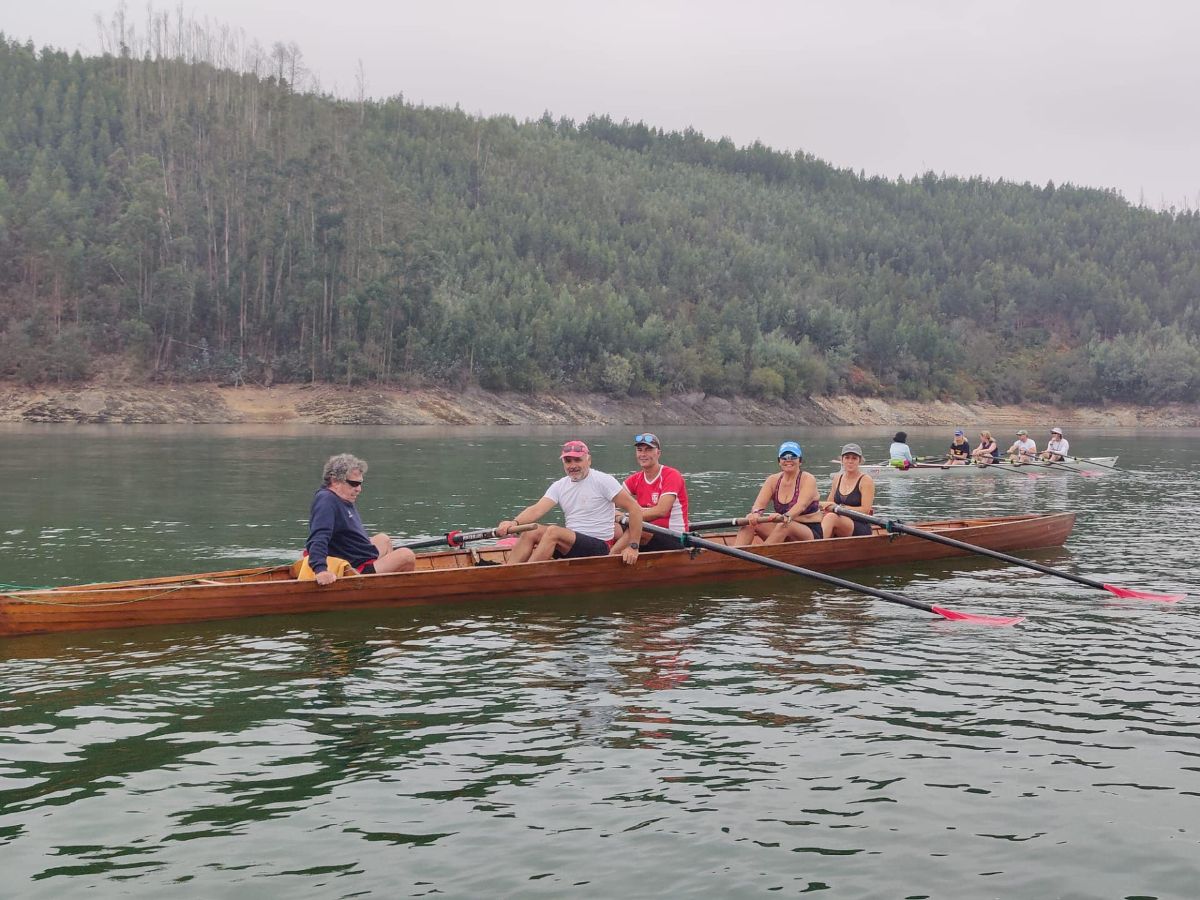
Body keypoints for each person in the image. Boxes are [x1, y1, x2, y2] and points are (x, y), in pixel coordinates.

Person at [496, 440, 643, 564]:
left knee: (553, 531)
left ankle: (526, 576)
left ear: (588, 460)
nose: (572, 465)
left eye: (577, 460)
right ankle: (505, 573)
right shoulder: (560, 485)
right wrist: (513, 523)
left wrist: (633, 546)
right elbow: (536, 509)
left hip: (599, 547)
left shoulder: (603, 481)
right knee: (530, 532)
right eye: (568, 461)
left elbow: (634, 508)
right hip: (572, 545)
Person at [306, 453, 416, 586]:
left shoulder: (342, 498)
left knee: (383, 539)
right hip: (354, 570)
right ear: (334, 481)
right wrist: (320, 570)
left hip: (357, 557)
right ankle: (396, 592)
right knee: (406, 555)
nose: (359, 489)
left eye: (360, 483)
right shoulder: (326, 501)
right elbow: (318, 537)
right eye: (353, 484)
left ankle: (385, 585)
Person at [611, 432, 690, 554]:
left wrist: (628, 517)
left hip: (674, 537)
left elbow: (661, 511)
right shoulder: (635, 479)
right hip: (647, 534)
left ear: (658, 453)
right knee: (613, 528)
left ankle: (608, 559)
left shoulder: (671, 475)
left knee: (638, 528)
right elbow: (610, 504)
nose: (643, 454)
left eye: (648, 450)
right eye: (639, 450)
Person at [734, 441, 824, 545]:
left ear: (800, 461)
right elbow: (759, 505)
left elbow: (801, 506)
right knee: (750, 521)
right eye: (784, 457)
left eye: (793, 456)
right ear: (779, 461)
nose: (788, 460)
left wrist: (784, 517)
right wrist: (755, 513)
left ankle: (761, 557)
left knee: (785, 525)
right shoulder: (773, 480)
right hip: (782, 527)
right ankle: (735, 557)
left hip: (809, 533)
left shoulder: (808, 479)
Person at [820, 443, 876, 538]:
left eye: (854, 458)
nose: (850, 461)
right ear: (842, 460)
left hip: (860, 525)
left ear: (860, 461)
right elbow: (830, 503)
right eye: (847, 458)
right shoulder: (837, 478)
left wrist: (841, 507)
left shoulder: (866, 480)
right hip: (840, 520)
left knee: (830, 517)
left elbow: (865, 510)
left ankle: (816, 548)